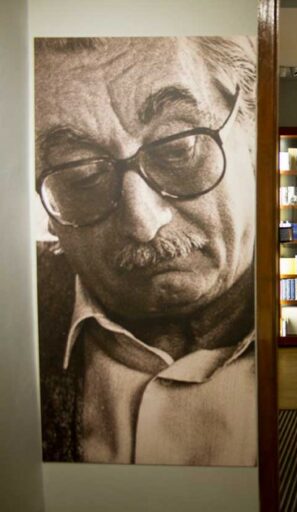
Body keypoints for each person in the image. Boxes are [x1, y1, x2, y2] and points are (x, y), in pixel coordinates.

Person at [35, 36, 258, 466]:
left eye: (177, 148)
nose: (142, 223)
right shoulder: (13, 317)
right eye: (82, 175)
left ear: (253, 135)